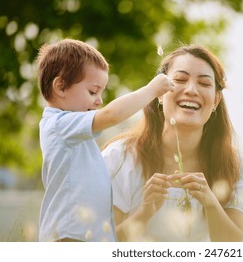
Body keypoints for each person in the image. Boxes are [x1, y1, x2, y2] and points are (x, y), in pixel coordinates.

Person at [101, 44, 243, 242]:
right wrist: (146, 210)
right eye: (180, 80)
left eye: (204, 83)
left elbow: (232, 248)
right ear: (159, 93)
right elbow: (103, 246)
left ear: (216, 100)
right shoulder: (120, 159)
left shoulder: (234, 167)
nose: (191, 90)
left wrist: (211, 204)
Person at [37, 38, 174, 242]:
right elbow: (111, 115)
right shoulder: (58, 125)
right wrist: (151, 90)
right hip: (69, 235)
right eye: (93, 91)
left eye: (101, 92)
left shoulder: (74, 134)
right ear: (61, 87)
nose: (99, 100)